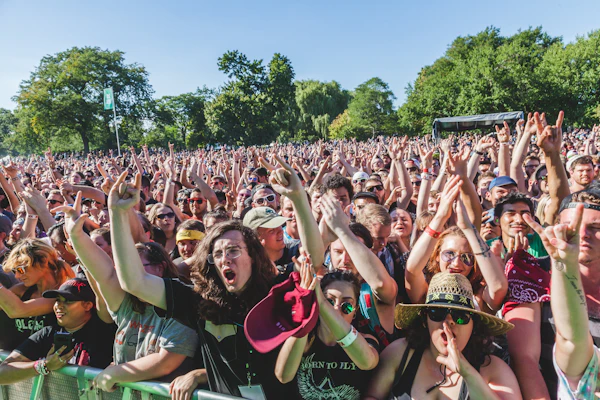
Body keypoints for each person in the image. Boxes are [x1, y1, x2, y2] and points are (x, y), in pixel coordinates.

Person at [109, 156, 324, 398]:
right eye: (217, 254)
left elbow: (314, 262)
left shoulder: (276, 290)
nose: (225, 259)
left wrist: (297, 198)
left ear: (253, 255)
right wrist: (117, 213)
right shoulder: (198, 299)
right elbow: (134, 282)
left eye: (233, 250)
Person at [56, 192, 200, 392]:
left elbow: (166, 361)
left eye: (137, 268)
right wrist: (76, 235)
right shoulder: (127, 304)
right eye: (125, 270)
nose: (128, 276)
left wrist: (116, 373)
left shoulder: (182, 306)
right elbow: (104, 274)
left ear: (160, 267)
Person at [364, 272, 520, 400]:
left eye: (460, 316)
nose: (449, 322)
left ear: (474, 325)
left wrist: (467, 372)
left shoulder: (493, 370)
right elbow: (372, 396)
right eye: (437, 313)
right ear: (425, 320)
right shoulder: (399, 353)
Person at [275, 258, 379, 399]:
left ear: (355, 311)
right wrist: (306, 310)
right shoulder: (305, 339)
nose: (336, 310)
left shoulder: (367, 341)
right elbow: (283, 376)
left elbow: (367, 362)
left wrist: (324, 304)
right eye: (329, 301)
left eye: (346, 306)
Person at [405, 176, 508, 314]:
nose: (457, 263)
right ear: (437, 256)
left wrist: (469, 229)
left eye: (467, 257)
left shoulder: (479, 295)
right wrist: (440, 216)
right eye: (449, 254)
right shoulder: (426, 291)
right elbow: (412, 270)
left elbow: (498, 287)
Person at [0, 278, 116, 384]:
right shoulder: (48, 333)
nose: (59, 306)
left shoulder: (105, 332)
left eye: (68, 301)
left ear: (87, 305)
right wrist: (44, 365)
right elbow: (3, 371)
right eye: (57, 300)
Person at [0, 239, 74, 350]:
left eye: (21, 269)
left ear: (43, 261)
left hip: (47, 363)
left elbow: (16, 310)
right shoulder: (21, 290)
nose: (17, 277)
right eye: (15, 271)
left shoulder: (61, 294)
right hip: (13, 363)